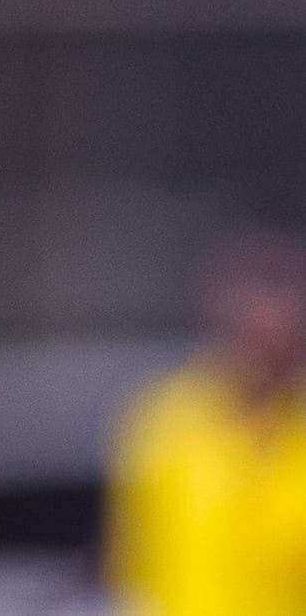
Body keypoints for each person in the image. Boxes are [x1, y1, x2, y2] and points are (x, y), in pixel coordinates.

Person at [105, 230, 306, 616]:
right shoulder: (165, 419)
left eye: (281, 342)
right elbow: (131, 559)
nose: (265, 356)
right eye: (254, 335)